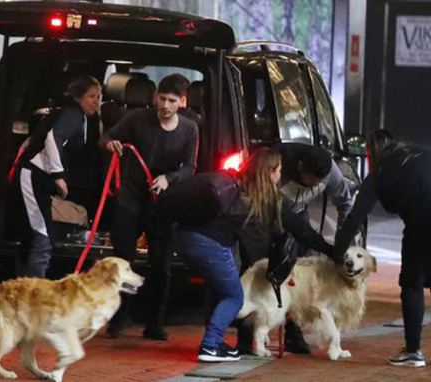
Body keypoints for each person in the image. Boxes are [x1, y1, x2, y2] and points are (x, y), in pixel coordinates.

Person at [171, 147, 334, 362]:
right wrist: (331, 251)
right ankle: (210, 345)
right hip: (210, 244)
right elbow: (299, 230)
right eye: (278, 171)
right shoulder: (264, 199)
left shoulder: (239, 185)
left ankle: (217, 342)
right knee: (233, 296)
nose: (280, 175)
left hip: (184, 237)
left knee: (221, 288)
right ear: (270, 171)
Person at [333, 129, 431, 367]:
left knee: (412, 282)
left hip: (428, 214)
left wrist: (336, 254)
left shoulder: (379, 172)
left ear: (372, 153)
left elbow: (356, 217)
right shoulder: (426, 154)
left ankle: (413, 350)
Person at [99, 73, 199, 341]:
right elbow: (107, 136)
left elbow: (190, 167)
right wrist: (110, 143)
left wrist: (169, 179)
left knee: (161, 264)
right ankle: (120, 317)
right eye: (162, 99)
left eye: (171, 101)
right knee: (122, 260)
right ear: (156, 97)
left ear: (182, 102)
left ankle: (154, 322)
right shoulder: (137, 118)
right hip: (130, 197)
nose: (165, 105)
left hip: (162, 203)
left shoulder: (189, 129)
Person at [12, 75, 101, 278]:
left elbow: (30, 142)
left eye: (99, 97)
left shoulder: (69, 114)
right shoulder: (73, 114)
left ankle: (22, 285)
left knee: (32, 235)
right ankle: (36, 292)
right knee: (42, 237)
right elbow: (53, 138)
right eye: (92, 96)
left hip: (35, 176)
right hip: (33, 176)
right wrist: (58, 174)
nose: (96, 101)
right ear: (79, 97)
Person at [274, 142, 354, 354]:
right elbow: (283, 217)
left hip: (299, 213)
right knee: (272, 269)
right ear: (300, 167)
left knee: (299, 278)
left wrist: (341, 241)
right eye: (311, 180)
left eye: (320, 182)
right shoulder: (278, 166)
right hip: (271, 215)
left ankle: (294, 331)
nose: (315, 185)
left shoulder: (330, 170)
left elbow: (345, 204)